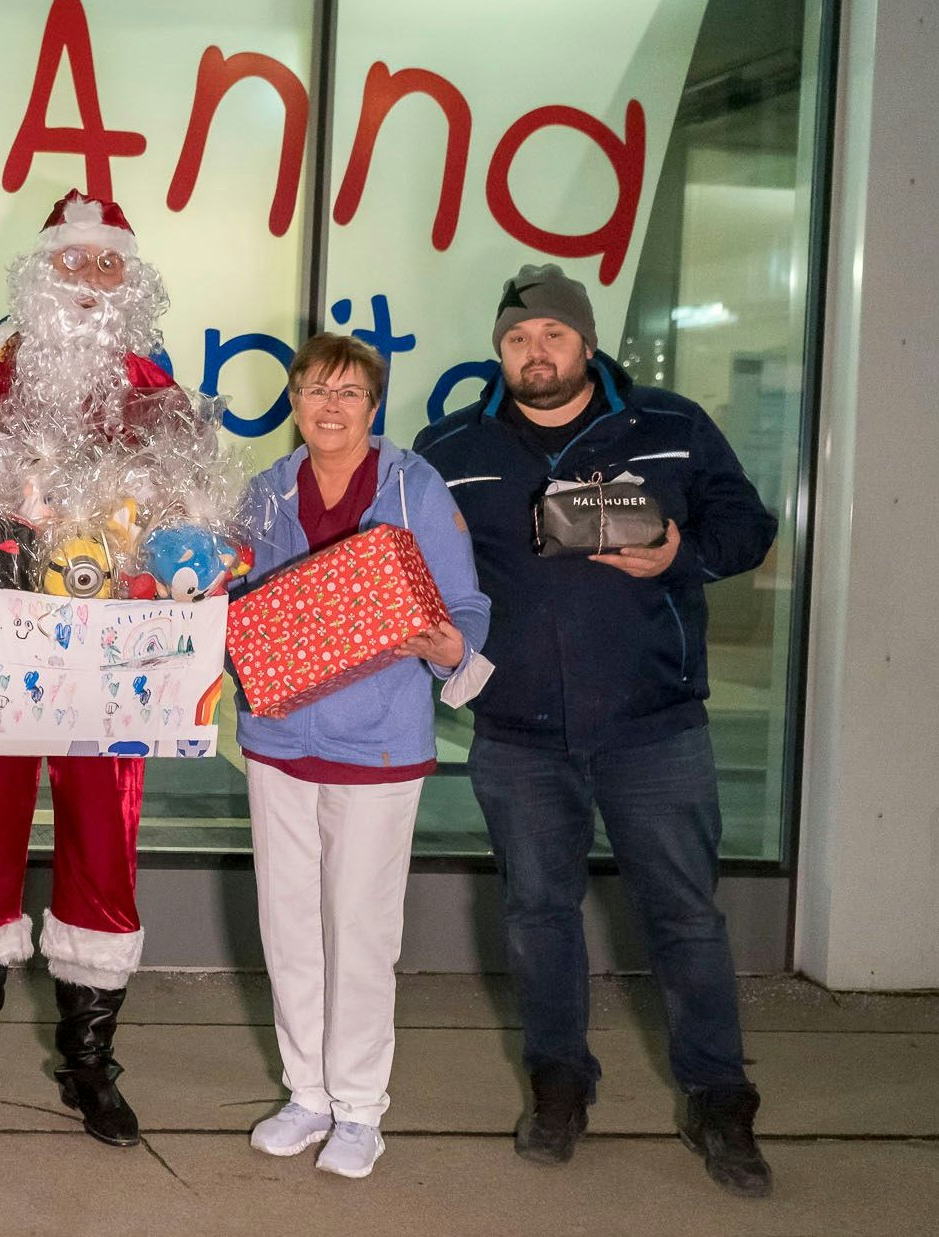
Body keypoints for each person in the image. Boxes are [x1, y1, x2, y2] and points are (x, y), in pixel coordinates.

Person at [414, 263, 779, 1197]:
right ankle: (560, 1080)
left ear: (585, 341)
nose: (535, 353)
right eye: (517, 339)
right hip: (517, 731)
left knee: (687, 919)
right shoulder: (450, 444)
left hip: (654, 726)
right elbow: (415, 569)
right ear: (500, 350)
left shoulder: (669, 426)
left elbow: (750, 526)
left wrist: (677, 554)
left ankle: (717, 1094)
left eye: (553, 336)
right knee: (538, 919)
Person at [0, 191, 180, 1147]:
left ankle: (89, 1066)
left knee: (104, 855)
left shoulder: (157, 388)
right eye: (72, 261)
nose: (88, 280)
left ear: (131, 280)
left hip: (113, 667)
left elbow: (183, 527)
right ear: (38, 272)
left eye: (107, 265)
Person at [232, 335, 489, 1178]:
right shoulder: (267, 493)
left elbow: (465, 605)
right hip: (278, 742)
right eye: (315, 390)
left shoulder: (414, 488)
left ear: (374, 406)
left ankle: (359, 1108)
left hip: (378, 744)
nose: (330, 407)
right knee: (289, 927)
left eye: (349, 393)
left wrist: (452, 647)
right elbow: (234, 602)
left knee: (361, 930)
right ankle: (305, 1093)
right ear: (295, 401)